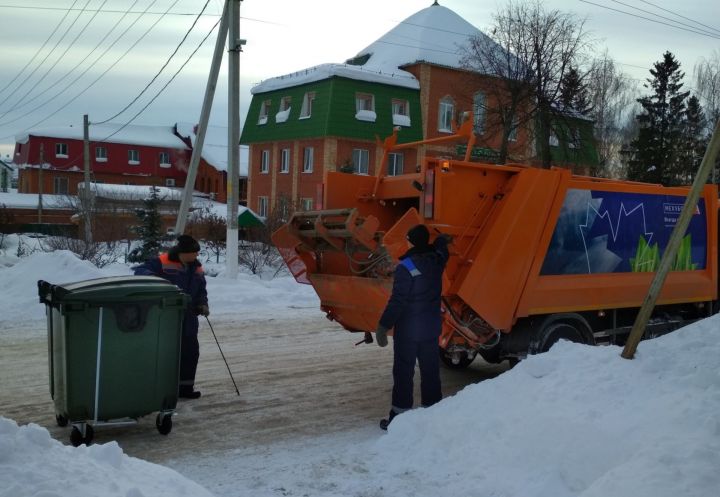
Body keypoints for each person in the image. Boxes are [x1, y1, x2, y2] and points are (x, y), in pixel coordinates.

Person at [375, 224, 450, 430]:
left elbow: (398, 301)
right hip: (431, 327)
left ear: (410, 241)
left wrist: (383, 326)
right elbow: (443, 253)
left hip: (409, 331)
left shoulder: (405, 267)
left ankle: (399, 418)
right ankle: (432, 413)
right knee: (430, 371)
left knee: (403, 373)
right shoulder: (437, 261)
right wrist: (441, 242)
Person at [134, 234, 209, 399]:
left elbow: (201, 289)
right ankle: (161, 389)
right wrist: (156, 282)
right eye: (195, 252)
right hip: (165, 317)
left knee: (190, 353)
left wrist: (203, 304)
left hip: (189, 317)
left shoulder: (196, 268)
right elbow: (140, 271)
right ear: (185, 252)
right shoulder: (162, 262)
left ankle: (185, 389)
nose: (197, 255)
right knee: (165, 354)